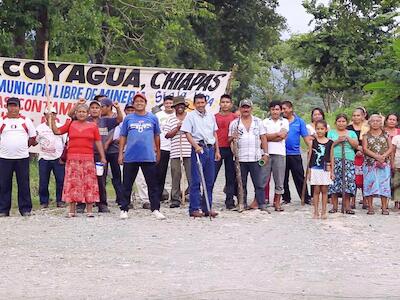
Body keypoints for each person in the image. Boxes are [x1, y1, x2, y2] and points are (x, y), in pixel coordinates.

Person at [51, 103, 107, 217]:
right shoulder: (70, 124)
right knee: (73, 184)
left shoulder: (93, 126)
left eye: (84, 112)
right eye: (79, 111)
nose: (81, 114)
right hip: (72, 159)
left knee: (89, 184)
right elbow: (57, 131)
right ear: (76, 113)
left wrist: (102, 156)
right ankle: (72, 210)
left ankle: (89, 210)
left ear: (88, 114)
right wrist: (52, 119)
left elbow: (98, 141)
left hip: (88, 159)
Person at [118, 93, 166, 220]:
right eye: (136, 101)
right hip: (130, 156)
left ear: (145, 103)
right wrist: (120, 153)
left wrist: (158, 152)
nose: (139, 103)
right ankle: (124, 209)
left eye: (141, 101)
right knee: (127, 184)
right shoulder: (128, 118)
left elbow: (157, 135)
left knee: (152, 184)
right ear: (133, 104)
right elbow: (123, 136)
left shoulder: (152, 118)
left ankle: (155, 209)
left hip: (148, 156)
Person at [181, 93, 221, 218]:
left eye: (202, 102)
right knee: (197, 180)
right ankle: (195, 208)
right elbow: (187, 133)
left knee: (209, 181)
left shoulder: (211, 116)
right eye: (198, 103)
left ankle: (207, 207)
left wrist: (217, 150)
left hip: (210, 148)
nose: (200, 105)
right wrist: (196, 146)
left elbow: (214, 133)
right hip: (199, 148)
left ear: (206, 103)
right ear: (194, 104)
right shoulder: (190, 116)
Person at [228, 99, 269, 211]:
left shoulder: (258, 122)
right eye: (243, 107)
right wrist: (233, 137)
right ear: (240, 109)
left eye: (248, 107)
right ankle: (242, 203)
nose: (246, 109)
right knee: (241, 183)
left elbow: (263, 138)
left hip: (255, 157)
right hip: (240, 158)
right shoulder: (234, 123)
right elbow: (229, 140)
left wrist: (265, 154)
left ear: (251, 109)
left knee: (259, 183)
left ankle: (261, 204)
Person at [0, 97, 36, 217]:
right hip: (4, 157)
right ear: (6, 107)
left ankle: (25, 209)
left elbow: (32, 137)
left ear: (20, 107)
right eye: (10, 106)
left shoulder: (26, 121)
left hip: (22, 157)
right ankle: (3, 209)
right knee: (4, 184)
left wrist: (24, 147)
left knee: (23, 183)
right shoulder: (2, 120)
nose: (13, 108)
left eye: (15, 106)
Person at [281, 100, 312, 204]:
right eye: (282, 109)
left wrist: (311, 147)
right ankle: (286, 198)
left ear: (291, 109)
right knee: (283, 178)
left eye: (285, 108)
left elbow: (306, 137)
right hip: (282, 154)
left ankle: (305, 197)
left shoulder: (299, 121)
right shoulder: (280, 121)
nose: (283, 111)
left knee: (299, 177)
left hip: (295, 154)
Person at [328, 114, 359, 214]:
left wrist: (347, 138)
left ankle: (347, 207)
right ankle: (335, 206)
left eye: (343, 121)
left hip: (349, 159)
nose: (341, 123)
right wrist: (337, 141)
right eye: (339, 121)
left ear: (347, 122)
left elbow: (356, 145)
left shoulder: (352, 133)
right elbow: (329, 145)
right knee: (335, 182)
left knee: (348, 183)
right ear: (335, 122)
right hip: (335, 159)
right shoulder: (331, 133)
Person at [36, 107, 66, 209]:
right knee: (43, 181)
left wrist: (64, 157)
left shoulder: (60, 127)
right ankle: (44, 201)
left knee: (61, 180)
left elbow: (66, 143)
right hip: (44, 158)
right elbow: (35, 141)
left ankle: (60, 200)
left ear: (56, 115)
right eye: (48, 114)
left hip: (58, 157)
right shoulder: (39, 128)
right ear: (44, 116)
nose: (50, 116)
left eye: (53, 114)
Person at [164, 96, 192, 208]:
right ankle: (175, 199)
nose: (180, 107)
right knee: (176, 175)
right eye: (177, 105)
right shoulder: (170, 119)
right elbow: (167, 135)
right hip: (175, 151)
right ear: (174, 107)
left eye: (182, 105)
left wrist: (184, 128)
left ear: (185, 106)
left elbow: (195, 132)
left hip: (189, 150)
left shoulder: (190, 117)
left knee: (192, 176)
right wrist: (177, 128)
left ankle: (193, 196)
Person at [362, 114, 392, 215]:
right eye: (373, 121)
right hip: (370, 164)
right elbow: (365, 149)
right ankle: (370, 207)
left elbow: (390, 148)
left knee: (384, 185)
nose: (375, 123)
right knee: (369, 184)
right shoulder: (365, 135)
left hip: (384, 163)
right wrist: (376, 157)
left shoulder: (386, 134)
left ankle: (384, 208)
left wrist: (383, 157)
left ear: (381, 123)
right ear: (369, 123)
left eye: (378, 121)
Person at [262, 101, 288, 211]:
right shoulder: (264, 122)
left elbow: (282, 136)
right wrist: (276, 135)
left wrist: (268, 137)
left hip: (280, 153)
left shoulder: (285, 121)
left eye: (277, 109)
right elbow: (262, 137)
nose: (275, 111)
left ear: (281, 110)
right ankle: (261, 200)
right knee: (263, 178)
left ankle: (277, 202)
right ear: (270, 110)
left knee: (279, 179)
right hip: (266, 153)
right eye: (273, 109)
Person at [214, 94, 237, 209]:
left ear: (231, 104)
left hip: (230, 149)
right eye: (223, 102)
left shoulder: (235, 117)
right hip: (217, 149)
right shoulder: (214, 117)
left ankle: (229, 201)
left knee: (230, 176)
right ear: (219, 104)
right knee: (212, 175)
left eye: (227, 102)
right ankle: (206, 198)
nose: (225, 104)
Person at [307, 120, 333, 219]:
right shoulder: (312, 142)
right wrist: (309, 171)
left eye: (322, 129)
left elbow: (331, 157)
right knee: (316, 190)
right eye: (318, 129)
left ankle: (324, 211)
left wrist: (332, 171)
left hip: (326, 168)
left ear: (326, 130)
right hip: (315, 168)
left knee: (325, 190)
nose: (320, 131)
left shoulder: (330, 142)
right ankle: (316, 211)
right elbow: (309, 157)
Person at [347, 107, 369, 209]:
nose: (356, 117)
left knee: (365, 178)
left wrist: (363, 150)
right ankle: (352, 200)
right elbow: (348, 141)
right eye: (354, 115)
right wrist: (357, 149)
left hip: (366, 155)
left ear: (363, 116)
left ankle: (365, 200)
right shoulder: (348, 128)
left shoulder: (367, 127)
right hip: (352, 155)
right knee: (353, 178)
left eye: (358, 115)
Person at [155, 95, 175, 202]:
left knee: (176, 173)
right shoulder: (158, 115)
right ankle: (159, 195)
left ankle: (176, 195)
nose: (169, 105)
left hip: (176, 147)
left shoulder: (178, 115)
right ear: (163, 104)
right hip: (162, 146)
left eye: (171, 103)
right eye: (166, 103)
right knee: (160, 172)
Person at [391, 128, 400, 209]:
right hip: (398, 163)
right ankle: (396, 203)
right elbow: (392, 152)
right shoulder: (396, 138)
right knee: (396, 183)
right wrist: (392, 162)